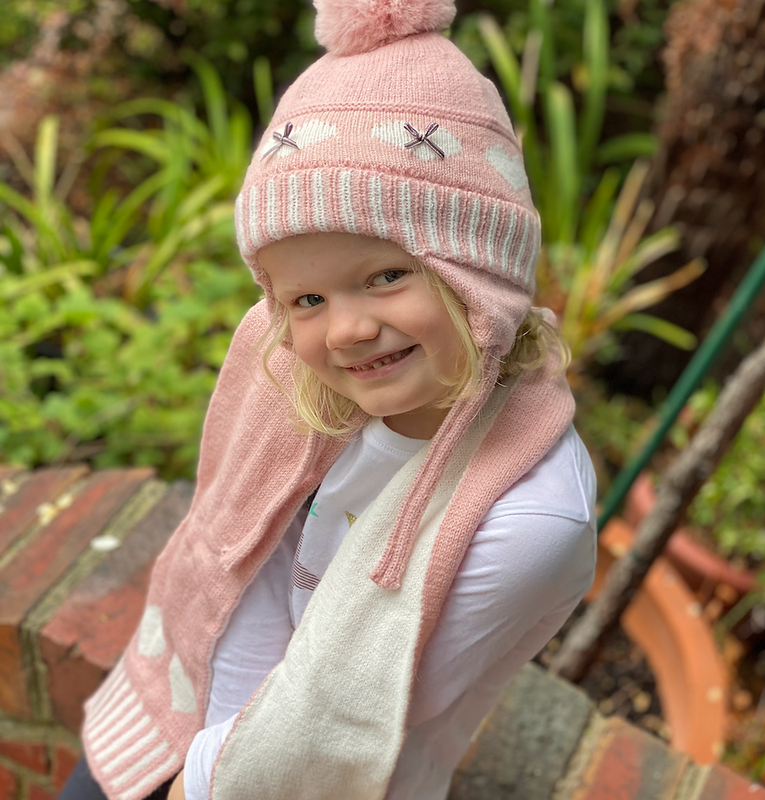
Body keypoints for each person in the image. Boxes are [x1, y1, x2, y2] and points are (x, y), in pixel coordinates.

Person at [61, 1, 597, 798]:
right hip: (190, 706)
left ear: (479, 271)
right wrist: (190, 740)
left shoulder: (529, 522)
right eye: (305, 298)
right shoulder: (295, 368)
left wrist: (201, 776)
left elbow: (341, 716)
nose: (345, 331)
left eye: (386, 276)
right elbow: (250, 554)